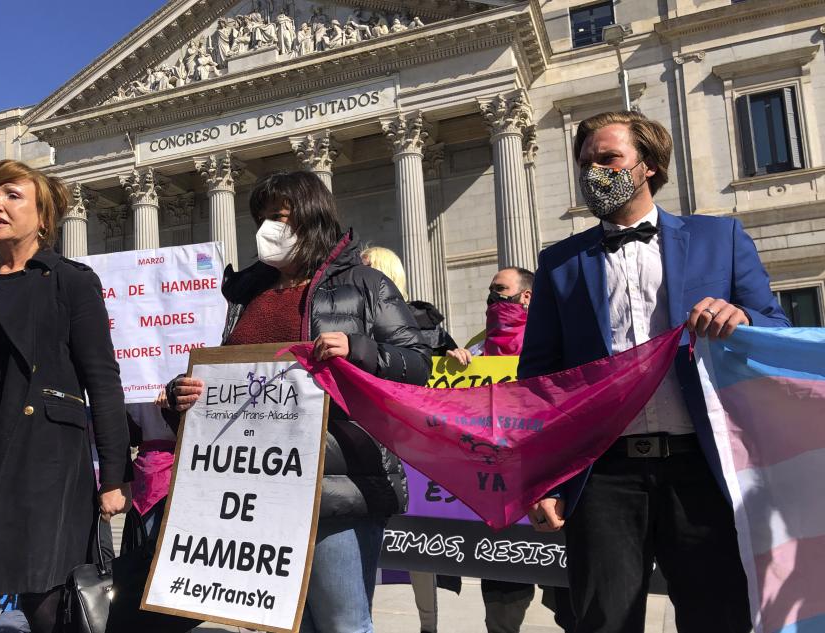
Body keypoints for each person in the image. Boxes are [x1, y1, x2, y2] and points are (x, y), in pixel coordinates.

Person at [521, 111, 789, 633]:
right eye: (585, 163)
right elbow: (540, 382)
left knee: (718, 619)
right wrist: (543, 479)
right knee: (604, 622)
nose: (594, 173)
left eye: (608, 159)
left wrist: (742, 318)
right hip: (604, 476)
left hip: (703, 469)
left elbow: (774, 326)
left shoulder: (720, 239)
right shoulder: (560, 264)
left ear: (648, 165)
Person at [163, 171, 433, 633]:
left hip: (337, 482)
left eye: (281, 217)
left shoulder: (365, 284)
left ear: (313, 218)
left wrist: (360, 349)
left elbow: (418, 364)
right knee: (279, 623)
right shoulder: (246, 296)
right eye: (263, 218)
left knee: (343, 622)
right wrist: (183, 393)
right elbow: (228, 375)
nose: (269, 228)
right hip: (256, 484)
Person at [0, 159, 132, 633]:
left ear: (43, 216)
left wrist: (114, 475)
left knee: (46, 603)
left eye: (12, 195)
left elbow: (102, 379)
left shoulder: (70, 280)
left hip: (41, 466)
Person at [360, 245, 467, 633]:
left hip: (415, 449)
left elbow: (448, 359)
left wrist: (458, 356)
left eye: (365, 267)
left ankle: (428, 626)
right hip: (366, 441)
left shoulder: (423, 320)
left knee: (419, 541)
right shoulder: (347, 317)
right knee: (363, 542)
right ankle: (361, 620)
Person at [476, 266, 576, 633]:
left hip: (554, 495)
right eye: (491, 289)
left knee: (572, 609)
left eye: (501, 289)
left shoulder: (557, 343)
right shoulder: (477, 350)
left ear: (527, 296)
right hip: (502, 498)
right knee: (501, 615)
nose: (493, 297)